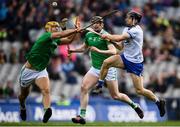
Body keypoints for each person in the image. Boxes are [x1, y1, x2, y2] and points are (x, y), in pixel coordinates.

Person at [69, 16, 144, 125]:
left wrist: (98, 50)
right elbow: (84, 48)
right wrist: (73, 50)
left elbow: (113, 52)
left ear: (102, 25)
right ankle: (82, 116)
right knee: (84, 87)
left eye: (98, 23)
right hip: (95, 68)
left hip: (108, 69)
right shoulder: (89, 34)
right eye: (94, 23)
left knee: (116, 96)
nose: (96, 25)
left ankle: (135, 105)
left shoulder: (105, 36)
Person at [95, 11, 166, 117]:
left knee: (139, 90)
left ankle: (158, 102)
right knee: (106, 62)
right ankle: (100, 85)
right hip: (125, 58)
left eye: (128, 18)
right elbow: (120, 47)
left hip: (135, 63)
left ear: (134, 20)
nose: (125, 19)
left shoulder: (137, 31)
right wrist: (110, 39)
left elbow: (119, 38)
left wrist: (106, 35)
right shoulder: (126, 29)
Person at [18, 21, 81, 123]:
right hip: (28, 71)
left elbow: (69, 40)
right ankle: (22, 107)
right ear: (48, 29)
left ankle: (47, 110)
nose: (56, 28)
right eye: (54, 27)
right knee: (23, 95)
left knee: (46, 90)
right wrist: (74, 30)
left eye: (57, 26)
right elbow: (61, 34)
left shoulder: (55, 41)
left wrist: (77, 32)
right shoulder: (46, 36)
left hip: (41, 70)